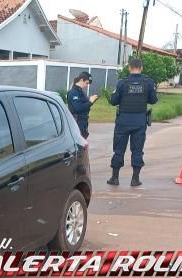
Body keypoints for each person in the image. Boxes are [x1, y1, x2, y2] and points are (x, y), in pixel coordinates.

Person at [108, 58, 158, 187]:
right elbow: (153, 100)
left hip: (123, 121)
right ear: (141, 68)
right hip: (139, 122)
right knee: (137, 150)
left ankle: (115, 178)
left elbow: (113, 101)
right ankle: (135, 179)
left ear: (129, 68)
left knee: (119, 149)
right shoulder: (148, 83)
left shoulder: (122, 83)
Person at [66, 72, 99, 138]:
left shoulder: (80, 91)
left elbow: (84, 105)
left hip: (83, 122)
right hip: (77, 122)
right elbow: (77, 107)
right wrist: (90, 102)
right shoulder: (74, 92)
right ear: (81, 80)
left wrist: (91, 100)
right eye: (86, 83)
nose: (87, 85)